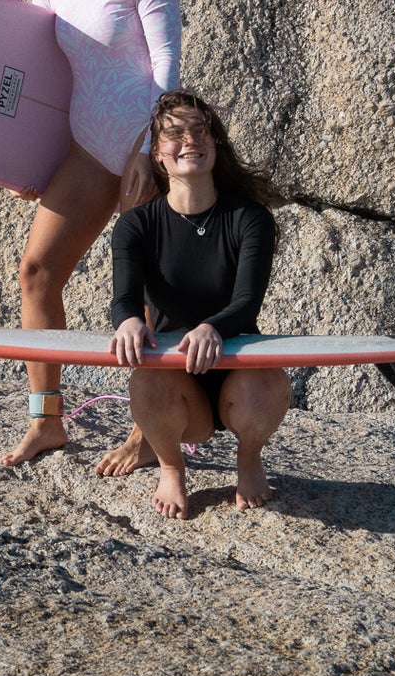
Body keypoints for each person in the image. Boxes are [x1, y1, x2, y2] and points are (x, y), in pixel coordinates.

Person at [3, 0, 180, 467]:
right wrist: (27, 160)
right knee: (37, 272)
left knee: (148, 294)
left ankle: (147, 430)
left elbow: (166, 71)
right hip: (83, 148)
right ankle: (46, 420)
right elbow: (40, 80)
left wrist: (145, 151)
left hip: (142, 148)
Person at [108, 91, 291, 518]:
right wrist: (130, 321)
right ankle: (171, 464)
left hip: (238, 371)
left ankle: (249, 458)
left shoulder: (249, 218)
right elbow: (124, 299)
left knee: (266, 381)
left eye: (200, 130)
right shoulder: (137, 224)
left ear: (216, 144)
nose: (189, 140)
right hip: (177, 380)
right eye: (175, 133)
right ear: (158, 154)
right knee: (144, 379)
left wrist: (212, 327)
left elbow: (246, 303)